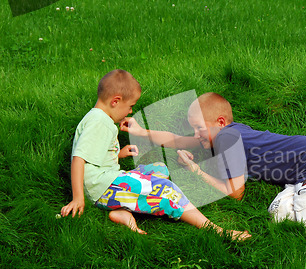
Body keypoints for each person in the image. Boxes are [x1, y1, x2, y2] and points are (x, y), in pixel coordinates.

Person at [122, 92, 306, 248]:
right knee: (280, 212)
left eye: (199, 129)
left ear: (220, 123)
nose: (197, 135)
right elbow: (176, 140)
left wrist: (195, 170)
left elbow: (236, 192)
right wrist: (142, 131)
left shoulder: (227, 139)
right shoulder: (226, 135)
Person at [61, 71, 250, 241]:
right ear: (115, 101)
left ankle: (120, 211)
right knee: (167, 189)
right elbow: (79, 158)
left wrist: (118, 155)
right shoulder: (99, 123)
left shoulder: (98, 119)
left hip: (104, 183)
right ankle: (216, 230)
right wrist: (78, 198)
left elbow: (94, 159)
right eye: (130, 106)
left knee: (159, 167)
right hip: (101, 188)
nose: (130, 112)